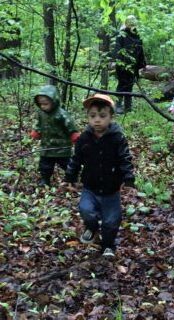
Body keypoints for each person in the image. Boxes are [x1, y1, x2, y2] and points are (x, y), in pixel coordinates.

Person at [64, 93, 135, 258]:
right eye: (93, 116)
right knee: (85, 210)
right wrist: (70, 177)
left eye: (102, 116)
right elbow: (76, 159)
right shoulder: (84, 138)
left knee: (112, 220)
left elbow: (125, 158)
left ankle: (108, 245)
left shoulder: (117, 137)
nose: (97, 120)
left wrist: (128, 179)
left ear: (111, 117)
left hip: (111, 189)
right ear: (88, 117)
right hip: (90, 186)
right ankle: (92, 227)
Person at [30, 85, 80, 186]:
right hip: (47, 147)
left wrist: (74, 135)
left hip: (62, 147)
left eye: (45, 104)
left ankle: (72, 178)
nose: (43, 106)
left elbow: (70, 124)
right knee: (45, 165)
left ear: (54, 101)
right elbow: (39, 124)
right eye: (41, 104)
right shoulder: (41, 113)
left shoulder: (61, 114)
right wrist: (37, 131)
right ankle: (45, 179)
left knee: (67, 164)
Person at [112, 15, 146, 114]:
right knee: (122, 84)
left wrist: (142, 63)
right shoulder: (121, 34)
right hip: (122, 65)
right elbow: (117, 50)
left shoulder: (137, 35)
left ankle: (128, 107)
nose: (131, 25)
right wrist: (121, 62)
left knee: (130, 85)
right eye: (130, 23)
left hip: (133, 65)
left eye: (133, 24)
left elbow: (140, 50)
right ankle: (118, 105)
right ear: (126, 23)